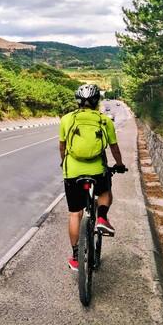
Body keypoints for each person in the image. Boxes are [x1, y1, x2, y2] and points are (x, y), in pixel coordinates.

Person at [59, 84, 126, 271]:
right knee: (105, 192)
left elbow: (62, 147)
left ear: (77, 101)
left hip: (72, 171)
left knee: (75, 213)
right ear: (97, 101)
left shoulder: (66, 120)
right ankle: (102, 218)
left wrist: (64, 163)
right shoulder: (104, 121)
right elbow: (114, 148)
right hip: (97, 169)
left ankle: (75, 255)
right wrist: (119, 165)